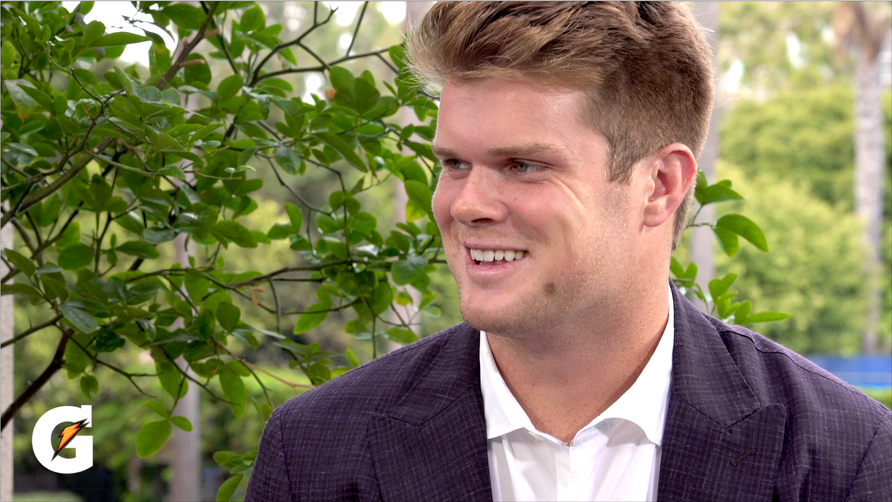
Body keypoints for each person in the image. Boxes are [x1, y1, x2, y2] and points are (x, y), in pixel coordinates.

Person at [245, 3, 891, 501]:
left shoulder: (840, 458)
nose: (466, 204)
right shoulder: (317, 454)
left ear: (659, 186)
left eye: (523, 165)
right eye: (454, 163)